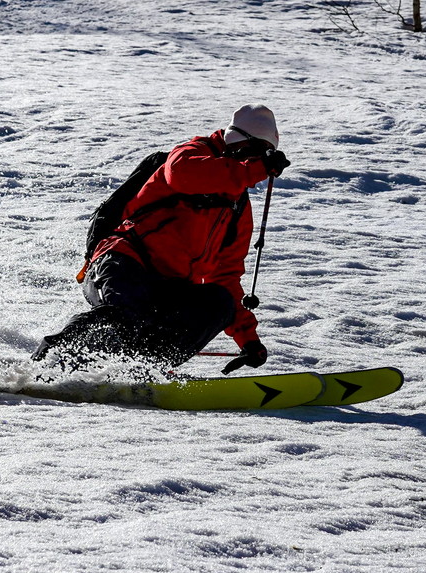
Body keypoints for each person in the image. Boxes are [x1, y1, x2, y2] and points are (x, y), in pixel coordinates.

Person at [33, 105, 290, 374]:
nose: (253, 166)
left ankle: (143, 371)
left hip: (169, 286)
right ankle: (45, 366)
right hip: (121, 262)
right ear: (237, 144)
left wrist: (248, 339)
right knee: (126, 315)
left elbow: (225, 276)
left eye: (260, 159)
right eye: (252, 155)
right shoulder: (191, 154)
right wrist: (250, 170)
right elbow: (182, 176)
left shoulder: (237, 208)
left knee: (219, 302)